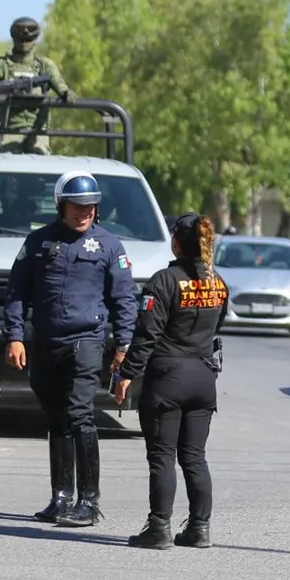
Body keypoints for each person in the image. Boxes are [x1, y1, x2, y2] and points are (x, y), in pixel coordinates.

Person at [3, 171, 136, 527]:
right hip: (45, 342)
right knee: (57, 418)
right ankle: (61, 497)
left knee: (79, 414)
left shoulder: (110, 246)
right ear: (61, 205)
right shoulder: (37, 243)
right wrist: (15, 336)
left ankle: (89, 501)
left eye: (91, 207)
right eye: (78, 206)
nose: (84, 213)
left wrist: (124, 346)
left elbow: (124, 300)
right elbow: (17, 292)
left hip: (86, 341)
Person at [114, 213, 229, 550]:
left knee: (162, 455)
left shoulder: (163, 281)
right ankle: (199, 528)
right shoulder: (217, 283)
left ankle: (159, 528)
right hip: (204, 379)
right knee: (194, 457)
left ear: (176, 241)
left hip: (168, 379)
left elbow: (146, 336)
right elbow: (216, 326)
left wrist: (126, 374)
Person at [0, 17, 76, 155]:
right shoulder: (1, 64)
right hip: (11, 127)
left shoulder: (45, 65)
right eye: (20, 35)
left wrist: (66, 93)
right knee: (7, 160)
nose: (24, 39)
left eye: (28, 36)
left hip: (38, 128)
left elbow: (60, 86)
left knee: (40, 158)